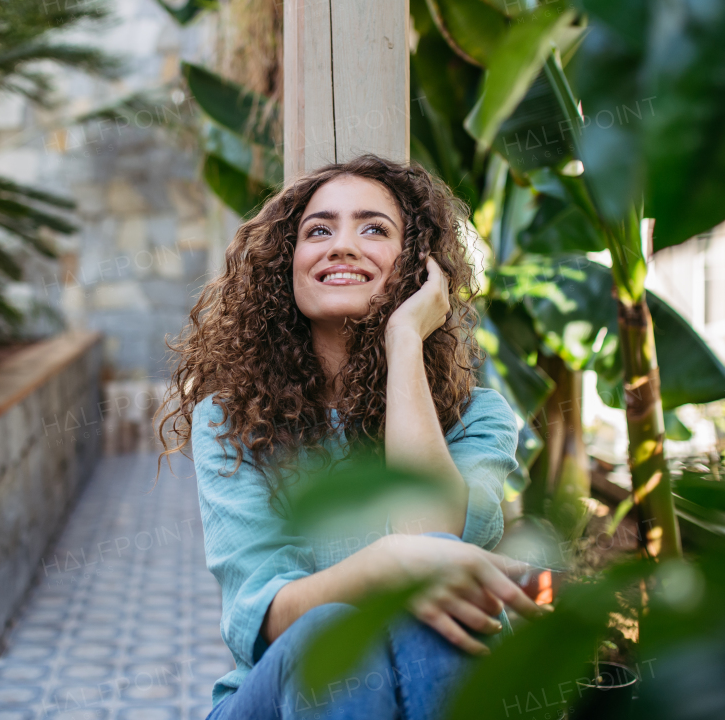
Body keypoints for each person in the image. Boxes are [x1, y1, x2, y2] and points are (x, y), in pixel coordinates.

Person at [158, 155, 545, 719]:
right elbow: (262, 614)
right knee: (333, 630)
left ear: (418, 268)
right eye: (318, 230)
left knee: (430, 597)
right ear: (285, 266)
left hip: (432, 681)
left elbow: (429, 530)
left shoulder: (479, 419)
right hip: (274, 697)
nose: (341, 245)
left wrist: (404, 338)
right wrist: (383, 568)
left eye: (373, 229)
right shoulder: (231, 420)